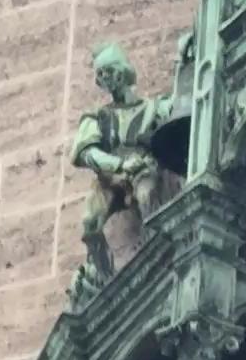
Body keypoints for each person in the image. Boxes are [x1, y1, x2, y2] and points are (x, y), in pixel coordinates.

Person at [70, 42, 171, 286]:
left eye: (108, 71)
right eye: (100, 74)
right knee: (90, 220)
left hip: (142, 170)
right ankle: (104, 277)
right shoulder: (99, 116)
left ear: (121, 71)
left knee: (146, 194)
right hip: (111, 177)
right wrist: (118, 165)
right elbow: (85, 153)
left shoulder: (152, 108)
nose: (105, 78)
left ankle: (160, 249)